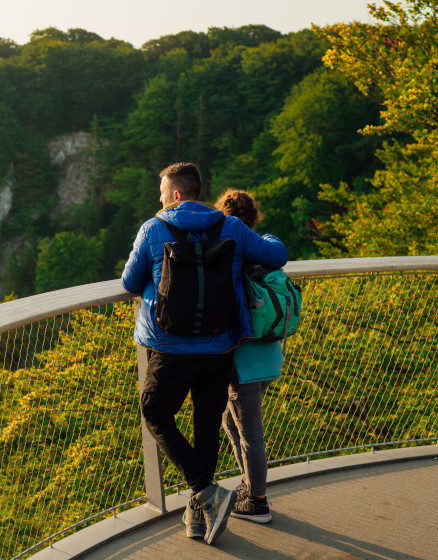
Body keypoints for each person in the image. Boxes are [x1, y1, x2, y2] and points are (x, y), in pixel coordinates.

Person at [121, 163, 287, 544]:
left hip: (171, 348)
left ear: (177, 195)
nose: (160, 199)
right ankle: (199, 514)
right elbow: (275, 255)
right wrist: (270, 236)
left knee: (155, 413)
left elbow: (129, 281)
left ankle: (206, 492)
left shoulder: (153, 229)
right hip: (219, 347)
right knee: (206, 426)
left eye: (163, 193)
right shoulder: (232, 227)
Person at [214, 188, 282, 524]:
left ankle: (258, 503)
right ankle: (249, 488)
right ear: (254, 218)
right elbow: (279, 251)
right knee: (231, 422)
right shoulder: (263, 253)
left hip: (244, 361)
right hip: (269, 354)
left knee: (249, 430)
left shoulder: (227, 255)